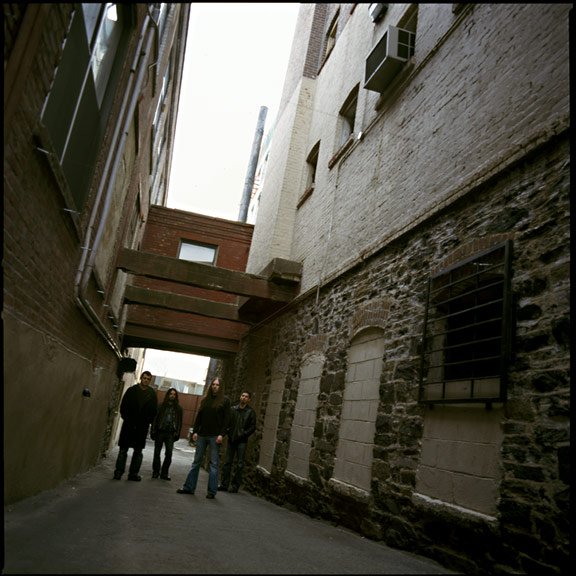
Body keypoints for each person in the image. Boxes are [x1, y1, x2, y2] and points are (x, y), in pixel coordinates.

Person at [177, 377, 230, 499]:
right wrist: (195, 431)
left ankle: (211, 491)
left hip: (215, 436)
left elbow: (227, 420)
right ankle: (189, 487)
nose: (215, 386)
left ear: (221, 387)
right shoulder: (205, 400)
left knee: (214, 464)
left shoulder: (225, 401)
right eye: (213, 384)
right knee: (196, 462)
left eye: (217, 385)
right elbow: (199, 417)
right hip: (202, 435)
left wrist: (222, 434)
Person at [113, 371, 158, 481]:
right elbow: (123, 406)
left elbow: (154, 411)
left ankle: (133, 474)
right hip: (129, 425)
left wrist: (147, 422)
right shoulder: (132, 390)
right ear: (141, 378)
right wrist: (127, 418)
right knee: (123, 450)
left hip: (142, 427)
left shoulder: (152, 394)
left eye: (148, 379)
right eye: (144, 378)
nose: (146, 380)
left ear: (150, 381)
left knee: (138, 451)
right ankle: (118, 472)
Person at [219, 390, 256, 493]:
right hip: (232, 439)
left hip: (242, 441)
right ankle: (224, 484)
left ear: (249, 400)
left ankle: (235, 486)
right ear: (240, 397)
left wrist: (244, 434)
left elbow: (252, 427)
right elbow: (227, 423)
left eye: (246, 396)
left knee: (239, 464)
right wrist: (227, 433)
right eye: (242, 395)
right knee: (227, 462)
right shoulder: (233, 409)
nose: (244, 397)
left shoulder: (250, 412)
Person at [150, 387, 182, 481]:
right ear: (168, 395)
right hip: (160, 431)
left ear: (176, 396)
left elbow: (179, 422)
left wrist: (177, 433)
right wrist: (153, 430)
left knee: (169, 453)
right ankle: (156, 472)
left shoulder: (178, 409)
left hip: (170, 433)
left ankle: (164, 473)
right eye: (171, 394)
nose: (172, 396)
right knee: (157, 452)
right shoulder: (161, 406)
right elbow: (155, 419)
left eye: (174, 394)